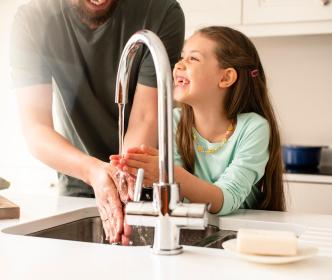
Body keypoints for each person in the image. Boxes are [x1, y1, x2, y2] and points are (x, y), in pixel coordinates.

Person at [10, 0, 185, 244]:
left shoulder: (161, 11)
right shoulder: (33, 19)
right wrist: (94, 172)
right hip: (77, 182)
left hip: (139, 184)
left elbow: (146, 117)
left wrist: (123, 180)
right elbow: (36, 128)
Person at [111, 26, 285, 215]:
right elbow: (179, 198)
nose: (178, 65)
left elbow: (226, 199)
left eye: (193, 58)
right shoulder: (175, 122)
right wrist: (146, 169)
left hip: (244, 234)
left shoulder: (253, 128)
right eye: (181, 57)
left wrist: (167, 173)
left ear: (226, 77)